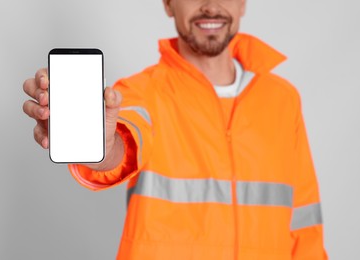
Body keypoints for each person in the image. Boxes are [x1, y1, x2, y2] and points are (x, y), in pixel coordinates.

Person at [23, 0, 328, 259]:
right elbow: (120, 147)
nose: (210, 6)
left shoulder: (283, 99)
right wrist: (100, 145)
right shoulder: (140, 92)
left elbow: (305, 222)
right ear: (168, 4)